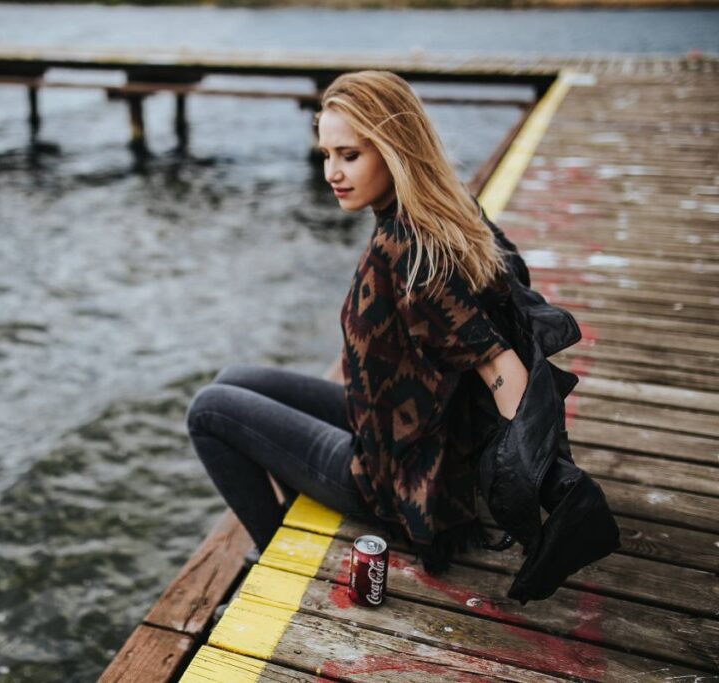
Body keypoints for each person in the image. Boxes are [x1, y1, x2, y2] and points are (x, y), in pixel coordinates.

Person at [185, 70, 531, 574]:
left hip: (390, 479)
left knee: (208, 410)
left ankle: (274, 557)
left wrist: (532, 495)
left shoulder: (410, 252)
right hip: (391, 425)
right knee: (234, 380)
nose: (331, 172)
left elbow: (500, 365)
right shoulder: (438, 211)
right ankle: (277, 530)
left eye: (350, 155)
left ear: (393, 149)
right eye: (327, 155)